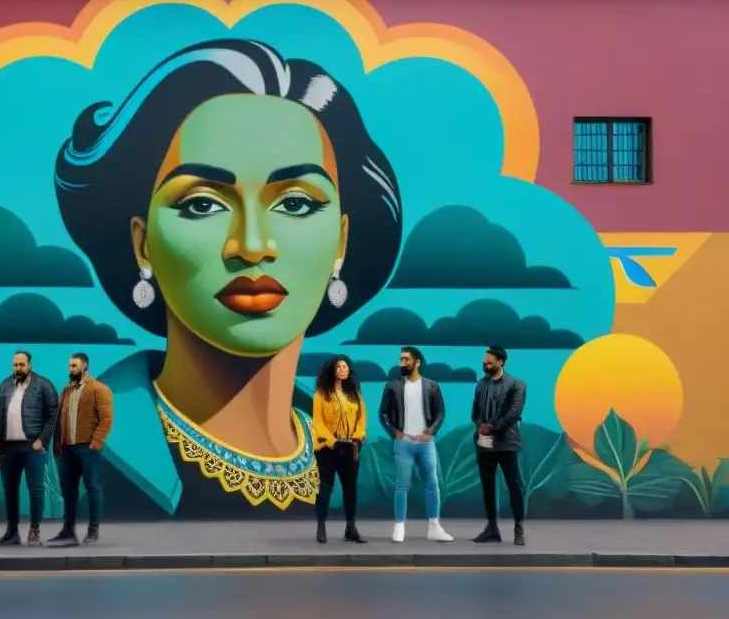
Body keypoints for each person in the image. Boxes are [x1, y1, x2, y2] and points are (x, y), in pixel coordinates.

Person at [54, 39, 403, 518]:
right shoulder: (98, 453)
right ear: (143, 244)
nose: (253, 245)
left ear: (341, 242)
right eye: (202, 204)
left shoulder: (369, 470)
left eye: (296, 203)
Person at [378, 346, 453, 544]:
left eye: (406, 359)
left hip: (426, 444)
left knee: (432, 484)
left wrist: (430, 432)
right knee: (401, 485)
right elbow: (382, 414)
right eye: (401, 359)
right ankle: (399, 526)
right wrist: (394, 433)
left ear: (417, 362)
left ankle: (434, 527)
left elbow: (440, 413)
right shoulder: (392, 386)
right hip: (403, 444)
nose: (402, 362)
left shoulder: (432, 386)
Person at [0, 351, 59, 546]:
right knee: (10, 490)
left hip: (32, 447)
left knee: (36, 489)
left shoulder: (44, 385)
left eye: (21, 365)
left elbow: (53, 416)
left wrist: (42, 440)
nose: (17, 368)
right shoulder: (4, 385)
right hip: (8, 448)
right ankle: (12, 532)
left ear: (30, 364)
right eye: (15, 365)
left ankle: (34, 530)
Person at [49, 352, 113, 545]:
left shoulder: (98, 389)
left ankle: (93, 530)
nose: (71, 369)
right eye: (69, 366)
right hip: (67, 448)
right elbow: (60, 419)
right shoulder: (67, 390)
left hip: (87, 447)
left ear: (84, 366)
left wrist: (95, 444)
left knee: (93, 488)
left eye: (74, 366)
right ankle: (68, 530)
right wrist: (58, 445)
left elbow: (106, 419)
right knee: (68, 490)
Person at [471, 345, 527, 546]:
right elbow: (475, 413)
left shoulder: (516, 385)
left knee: (514, 485)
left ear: (500, 361)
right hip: (483, 443)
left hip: (507, 443)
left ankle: (518, 527)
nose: (485, 363)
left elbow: (513, 413)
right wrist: (480, 427)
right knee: (487, 486)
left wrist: (492, 428)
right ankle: (491, 528)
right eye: (484, 361)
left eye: (489, 361)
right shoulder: (480, 385)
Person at [311, 356, 367, 544]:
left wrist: (358, 436)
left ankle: (351, 528)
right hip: (328, 447)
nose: (343, 369)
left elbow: (362, 418)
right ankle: (321, 527)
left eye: (345, 367)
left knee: (350, 488)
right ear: (332, 371)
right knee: (326, 487)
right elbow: (317, 421)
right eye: (339, 367)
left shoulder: (355, 393)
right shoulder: (321, 393)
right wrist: (331, 440)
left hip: (350, 446)